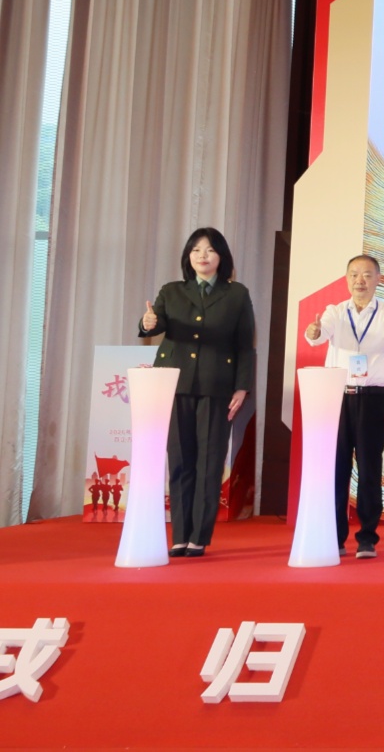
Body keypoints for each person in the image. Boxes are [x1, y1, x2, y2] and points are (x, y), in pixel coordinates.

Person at [137, 227, 257, 559]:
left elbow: (245, 344)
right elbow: (156, 323)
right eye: (196, 250)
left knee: (209, 462)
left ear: (221, 256)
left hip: (217, 386)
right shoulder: (172, 291)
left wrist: (242, 386)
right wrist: (148, 323)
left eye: (209, 250)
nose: (202, 255)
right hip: (174, 385)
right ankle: (179, 535)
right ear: (188, 257)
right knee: (180, 460)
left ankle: (198, 537)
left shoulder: (237, 294)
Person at [302, 253, 384, 559]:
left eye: (366, 275)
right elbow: (318, 334)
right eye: (353, 274)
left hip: (375, 398)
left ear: (378, 279)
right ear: (346, 279)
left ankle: (367, 538)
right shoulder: (335, 312)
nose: (359, 281)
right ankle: (335, 536)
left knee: (369, 468)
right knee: (337, 469)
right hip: (338, 398)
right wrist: (314, 332)